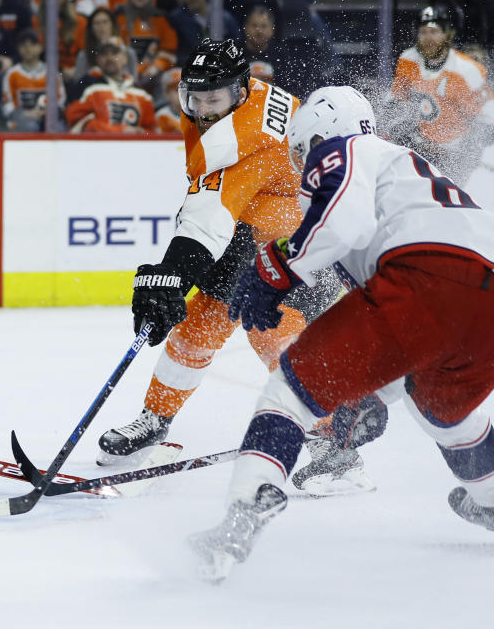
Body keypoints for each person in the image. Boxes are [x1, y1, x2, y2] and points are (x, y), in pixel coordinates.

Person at [191, 86, 494, 581]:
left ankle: (241, 515)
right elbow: (413, 337)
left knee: (288, 393)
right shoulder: (404, 168)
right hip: (486, 304)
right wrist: (368, 392)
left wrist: (274, 269)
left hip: (427, 276)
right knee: (443, 412)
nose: (299, 162)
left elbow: (343, 225)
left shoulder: (343, 149)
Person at [95, 39, 378, 496]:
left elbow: (206, 222)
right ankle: (155, 419)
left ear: (240, 92)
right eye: (197, 99)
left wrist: (171, 274)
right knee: (199, 325)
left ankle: (335, 444)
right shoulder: (248, 97)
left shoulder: (237, 142)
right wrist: (175, 276)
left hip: (300, 233)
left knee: (274, 332)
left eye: (215, 100)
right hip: (254, 226)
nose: (205, 111)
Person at [383, 4, 494, 185]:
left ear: (448, 34)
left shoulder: (468, 71)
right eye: (423, 32)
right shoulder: (408, 60)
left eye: (434, 32)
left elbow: (489, 120)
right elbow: (395, 101)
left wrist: (470, 151)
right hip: (419, 147)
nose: (428, 38)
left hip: (455, 154)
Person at [65, 36, 157, 133]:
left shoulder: (141, 94)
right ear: (98, 60)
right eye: (104, 54)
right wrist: (116, 131)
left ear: (125, 58)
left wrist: (141, 133)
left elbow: (152, 131)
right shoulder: (88, 87)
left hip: (134, 147)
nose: (109, 58)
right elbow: (75, 120)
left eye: (114, 53)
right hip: (100, 146)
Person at [2, 29, 65, 131]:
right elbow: (7, 105)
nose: (28, 49)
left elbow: (60, 101)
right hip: (22, 118)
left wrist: (46, 112)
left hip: (48, 116)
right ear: (18, 49)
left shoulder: (53, 73)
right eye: (23, 45)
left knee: (57, 128)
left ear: (41, 47)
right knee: (30, 127)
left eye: (32, 44)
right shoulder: (12, 74)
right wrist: (25, 114)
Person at [114, 0, 180, 84]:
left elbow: (169, 51)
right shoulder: (119, 18)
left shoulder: (161, 18)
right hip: (123, 72)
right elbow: (115, 49)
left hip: (155, 75)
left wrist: (157, 66)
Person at [168, 0, 241, 64]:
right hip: (189, 66)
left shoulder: (224, 18)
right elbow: (174, 49)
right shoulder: (176, 18)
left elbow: (237, 44)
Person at [72, 6, 139, 79]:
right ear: (91, 29)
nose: (102, 26)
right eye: (97, 23)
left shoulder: (128, 52)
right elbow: (78, 82)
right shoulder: (84, 55)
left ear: (112, 25)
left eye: (105, 22)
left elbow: (134, 80)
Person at [154, 67, 182, 134]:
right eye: (176, 90)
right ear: (166, 93)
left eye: (185, 89)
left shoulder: (199, 113)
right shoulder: (161, 115)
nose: (181, 94)